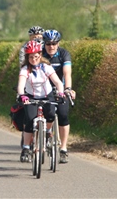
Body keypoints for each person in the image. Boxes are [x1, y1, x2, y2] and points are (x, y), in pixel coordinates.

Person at [17, 40, 65, 162]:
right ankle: (26, 148)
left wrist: (60, 93)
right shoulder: (25, 69)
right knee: (29, 119)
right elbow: (21, 85)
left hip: (46, 95)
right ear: (27, 57)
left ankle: (48, 132)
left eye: (36, 56)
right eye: (31, 57)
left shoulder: (46, 67)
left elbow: (58, 82)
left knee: (50, 115)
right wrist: (22, 95)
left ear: (40, 55)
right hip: (30, 96)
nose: (34, 59)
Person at [42, 29, 76, 163]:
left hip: (60, 88)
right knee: (49, 113)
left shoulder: (63, 54)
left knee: (63, 115)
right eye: (48, 43)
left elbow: (67, 73)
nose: (51, 46)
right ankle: (47, 134)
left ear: (58, 43)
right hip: (44, 89)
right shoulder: (40, 55)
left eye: (54, 43)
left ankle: (63, 149)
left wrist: (68, 89)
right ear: (44, 43)